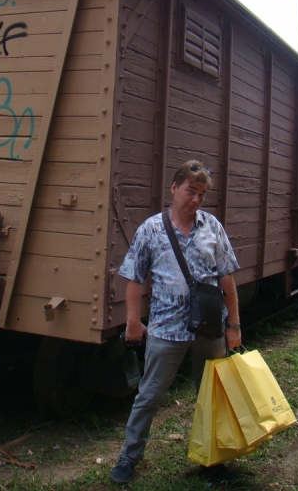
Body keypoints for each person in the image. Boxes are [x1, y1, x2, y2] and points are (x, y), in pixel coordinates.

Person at [109, 160, 241, 485]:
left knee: (210, 396)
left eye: (201, 194)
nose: (195, 199)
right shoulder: (151, 229)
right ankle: (129, 457)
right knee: (149, 395)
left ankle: (212, 461)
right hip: (166, 330)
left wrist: (234, 326)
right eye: (190, 191)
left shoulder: (212, 227)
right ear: (174, 188)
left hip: (210, 327)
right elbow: (134, 279)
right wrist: (132, 321)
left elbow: (227, 280)